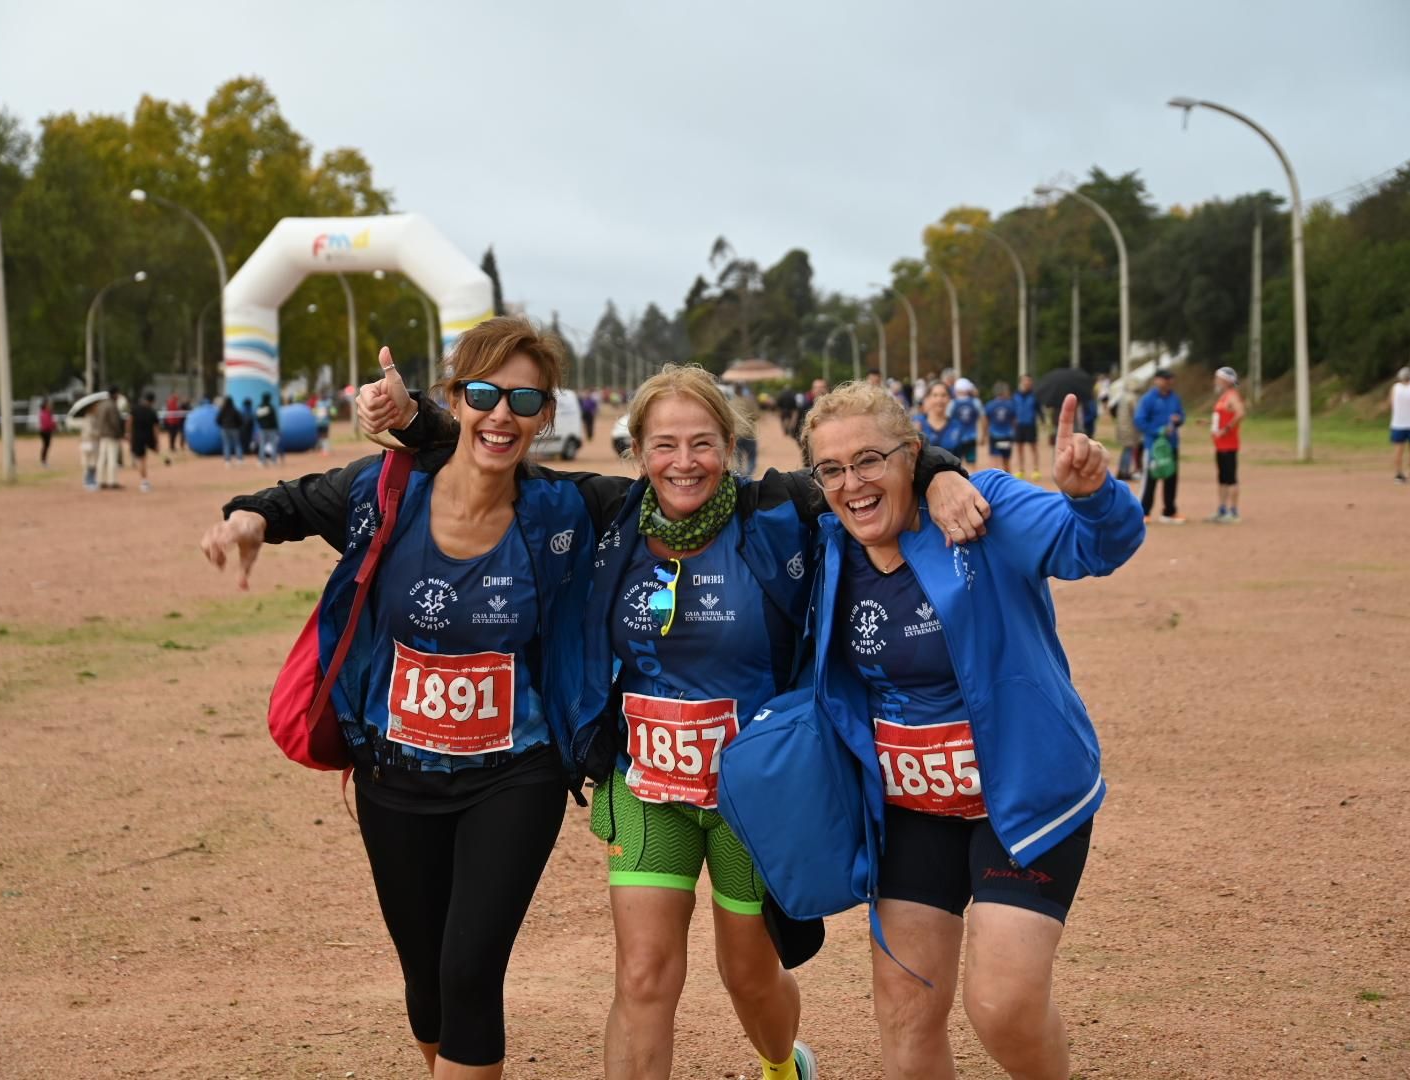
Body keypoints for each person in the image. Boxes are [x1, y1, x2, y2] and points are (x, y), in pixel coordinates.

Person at [368, 364, 988, 1080]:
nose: (683, 462)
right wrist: (414, 419)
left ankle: (783, 1064)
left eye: (701, 443)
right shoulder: (609, 514)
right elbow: (496, 445)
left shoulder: (779, 511)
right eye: (664, 445)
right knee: (643, 975)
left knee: (747, 974)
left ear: (729, 444)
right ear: (636, 452)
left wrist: (940, 471)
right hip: (646, 783)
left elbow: (873, 481)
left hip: (750, 797)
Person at [201, 318, 609, 1080]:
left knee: (468, 972)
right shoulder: (382, 489)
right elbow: (287, 502)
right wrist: (249, 518)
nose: (502, 414)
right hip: (396, 777)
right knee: (426, 986)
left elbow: (685, 499)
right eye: (484, 393)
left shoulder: (565, 510)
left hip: (516, 775)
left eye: (525, 399)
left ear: (547, 415)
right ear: (456, 398)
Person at [794, 382, 1143, 1079]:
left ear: (912, 457)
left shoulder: (979, 508)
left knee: (1003, 1004)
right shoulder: (824, 541)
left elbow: (1098, 546)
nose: (852, 484)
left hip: (1024, 798)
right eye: (831, 469)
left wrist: (1093, 494)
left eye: (869, 461)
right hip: (914, 807)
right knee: (905, 1009)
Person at [1134, 369, 1185, 524]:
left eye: (1170, 379)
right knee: (1150, 479)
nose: (1168, 381)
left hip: (1171, 446)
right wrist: (1157, 430)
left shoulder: (1175, 398)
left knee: (1171, 478)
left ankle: (1169, 512)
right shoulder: (1148, 399)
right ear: (1156, 380)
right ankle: (1143, 512)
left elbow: (1181, 416)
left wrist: (1178, 420)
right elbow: (1139, 421)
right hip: (1153, 446)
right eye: (1165, 379)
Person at [1203, 367, 1245, 522]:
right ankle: (1222, 509)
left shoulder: (1233, 396)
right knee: (1222, 478)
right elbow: (1222, 417)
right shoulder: (1224, 396)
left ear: (1226, 380)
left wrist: (1226, 429)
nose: (1216, 381)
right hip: (1220, 445)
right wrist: (1210, 424)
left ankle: (1233, 512)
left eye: (1218, 378)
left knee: (1231, 478)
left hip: (1229, 445)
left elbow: (1240, 413)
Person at [916, 380, 968, 461]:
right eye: (935, 395)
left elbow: (961, 460)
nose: (939, 400)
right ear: (928, 398)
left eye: (943, 395)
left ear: (949, 399)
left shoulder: (957, 427)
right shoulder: (917, 424)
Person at [92, 388, 124, 490]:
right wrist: (120, 433)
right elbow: (114, 422)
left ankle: (100, 481)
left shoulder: (101, 405)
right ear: (114, 394)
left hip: (101, 435)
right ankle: (112, 481)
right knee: (112, 459)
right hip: (111, 435)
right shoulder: (112, 406)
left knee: (101, 459)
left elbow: (96, 420)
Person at [1011, 374, 1042, 480]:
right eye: (1025, 381)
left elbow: (1039, 410)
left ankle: (1036, 470)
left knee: (1033, 448)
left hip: (1030, 425)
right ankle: (1021, 470)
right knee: (1019, 448)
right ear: (1021, 382)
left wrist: (1042, 421)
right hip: (1019, 425)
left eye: (1029, 381)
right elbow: (1012, 410)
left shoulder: (1035, 395)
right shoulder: (1015, 395)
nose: (1027, 383)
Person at [129, 391, 160, 493]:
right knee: (142, 460)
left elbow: (129, 421)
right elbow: (156, 429)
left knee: (139, 458)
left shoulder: (135, 409)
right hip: (147, 438)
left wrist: (128, 433)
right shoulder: (152, 412)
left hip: (136, 437)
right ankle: (144, 482)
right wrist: (156, 443)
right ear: (152, 401)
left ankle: (143, 478)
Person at [949, 377, 983, 468]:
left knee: (956, 464)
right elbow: (982, 417)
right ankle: (973, 481)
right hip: (971, 437)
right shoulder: (975, 402)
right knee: (972, 463)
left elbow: (947, 419)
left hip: (956, 438)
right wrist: (982, 434)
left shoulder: (952, 403)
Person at [984, 381, 1017, 472]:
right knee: (1006, 461)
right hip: (1007, 436)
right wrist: (1015, 433)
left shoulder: (990, 405)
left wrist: (984, 435)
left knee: (994, 461)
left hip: (994, 436)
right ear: (1005, 392)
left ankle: (996, 481)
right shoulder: (1010, 404)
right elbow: (1014, 422)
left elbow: (986, 422)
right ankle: (1008, 482)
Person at [731, 384, 760, 478]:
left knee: (738, 459)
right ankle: (748, 476)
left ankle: (739, 478)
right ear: (742, 390)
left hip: (736, 434)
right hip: (749, 433)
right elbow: (756, 415)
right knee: (752, 457)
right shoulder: (749, 401)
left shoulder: (730, 403)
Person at [216, 396, 245, 466]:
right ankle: (239, 460)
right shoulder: (234, 410)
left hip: (225, 428)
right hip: (235, 429)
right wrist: (238, 426)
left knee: (226, 444)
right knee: (237, 444)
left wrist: (222, 425)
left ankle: (227, 461)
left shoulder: (222, 410)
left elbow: (217, 419)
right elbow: (240, 419)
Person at [255, 392, 281, 466]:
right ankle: (273, 460)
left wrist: (261, 425)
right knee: (273, 445)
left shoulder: (259, 407)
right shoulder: (271, 407)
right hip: (272, 429)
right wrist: (277, 428)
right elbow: (274, 419)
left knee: (262, 445)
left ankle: (261, 460)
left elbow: (257, 418)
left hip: (263, 429)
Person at [37, 400, 56, 468]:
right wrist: (53, 426)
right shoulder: (45, 413)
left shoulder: (48, 413)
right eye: (48, 405)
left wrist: (54, 426)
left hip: (47, 431)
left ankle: (44, 460)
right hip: (45, 431)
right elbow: (47, 424)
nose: (50, 406)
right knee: (45, 446)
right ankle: (43, 460)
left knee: (46, 446)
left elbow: (51, 422)